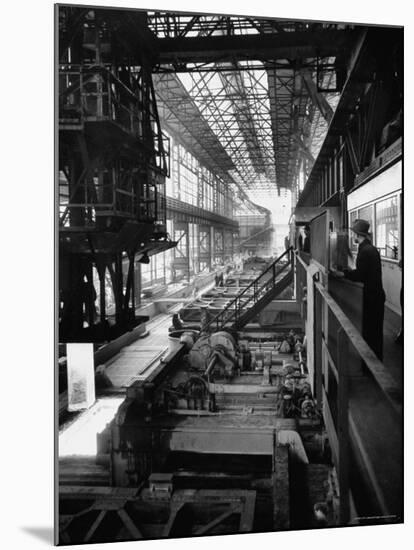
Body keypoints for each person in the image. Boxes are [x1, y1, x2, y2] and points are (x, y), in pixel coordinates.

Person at [331, 219, 385, 360]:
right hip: (376, 295)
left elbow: (360, 275)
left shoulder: (364, 251)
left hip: (371, 297)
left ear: (358, 234)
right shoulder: (370, 248)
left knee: (370, 332)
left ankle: (371, 365)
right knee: (376, 332)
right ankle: (376, 359)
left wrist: (343, 274)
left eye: (353, 233)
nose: (352, 236)